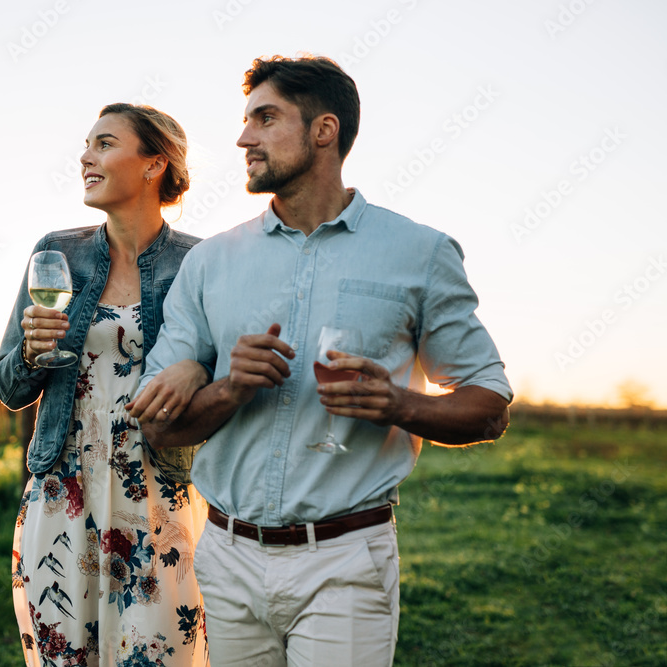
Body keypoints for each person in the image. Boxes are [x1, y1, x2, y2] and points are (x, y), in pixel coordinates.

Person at [128, 55, 513, 666]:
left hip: (346, 558)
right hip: (226, 556)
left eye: (265, 118)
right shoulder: (210, 264)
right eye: (245, 120)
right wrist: (230, 388)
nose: (243, 137)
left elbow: (488, 406)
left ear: (323, 131)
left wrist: (399, 404)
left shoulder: (419, 253)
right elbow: (158, 425)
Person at [0, 103, 211, 666]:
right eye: (87, 144)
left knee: (158, 654)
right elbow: (10, 386)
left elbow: (223, 381)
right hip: (63, 490)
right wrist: (32, 351)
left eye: (105, 143)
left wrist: (197, 373)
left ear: (153, 164)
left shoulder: (201, 262)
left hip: (158, 490)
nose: (85, 156)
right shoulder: (56, 253)